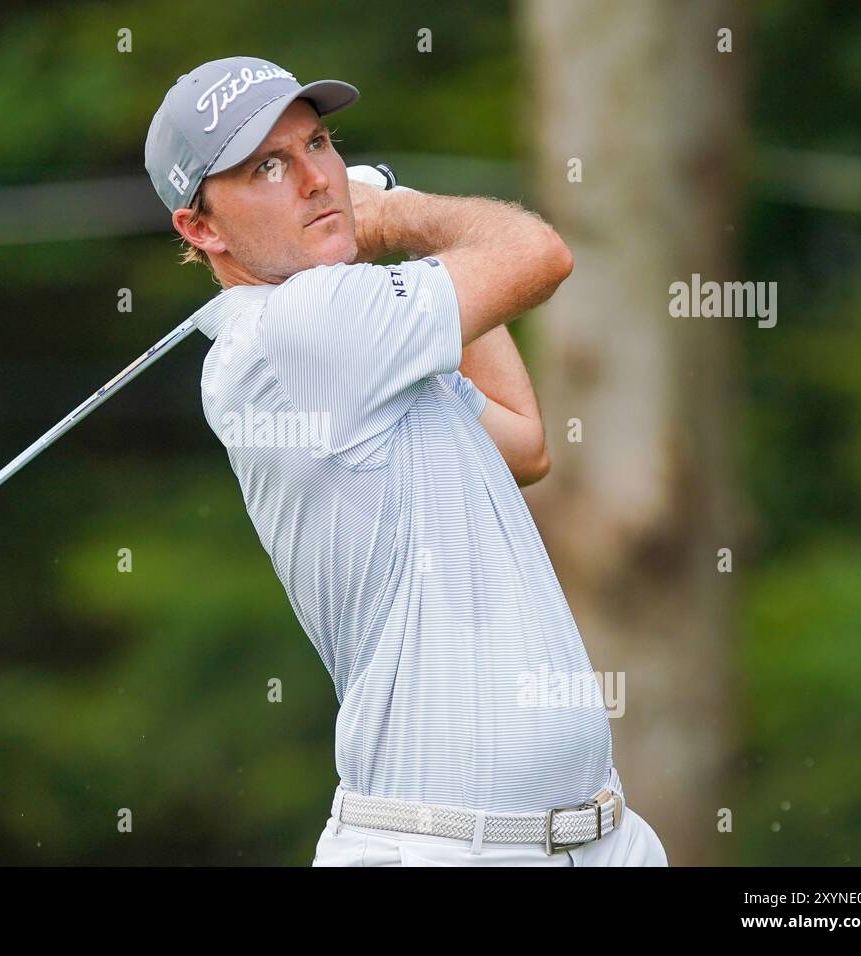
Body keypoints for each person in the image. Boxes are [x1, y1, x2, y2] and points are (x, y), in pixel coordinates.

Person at [144, 55, 668, 866]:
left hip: (601, 839)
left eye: (317, 144)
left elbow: (525, 446)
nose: (317, 178)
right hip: (445, 849)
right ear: (201, 228)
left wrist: (407, 279)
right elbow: (536, 252)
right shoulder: (298, 332)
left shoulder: (361, 346)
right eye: (268, 168)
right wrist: (391, 216)